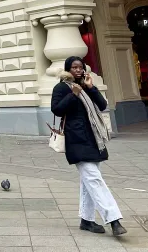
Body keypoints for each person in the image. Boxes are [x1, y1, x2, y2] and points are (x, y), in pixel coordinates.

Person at [52, 56, 126, 237]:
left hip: (94, 138)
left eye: (80, 67)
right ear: (68, 70)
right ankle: (114, 219)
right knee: (94, 180)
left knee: (89, 182)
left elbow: (102, 105)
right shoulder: (61, 87)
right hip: (76, 140)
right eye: (74, 67)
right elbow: (57, 110)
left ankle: (86, 220)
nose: (78, 70)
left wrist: (91, 88)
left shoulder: (87, 86)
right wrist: (73, 94)